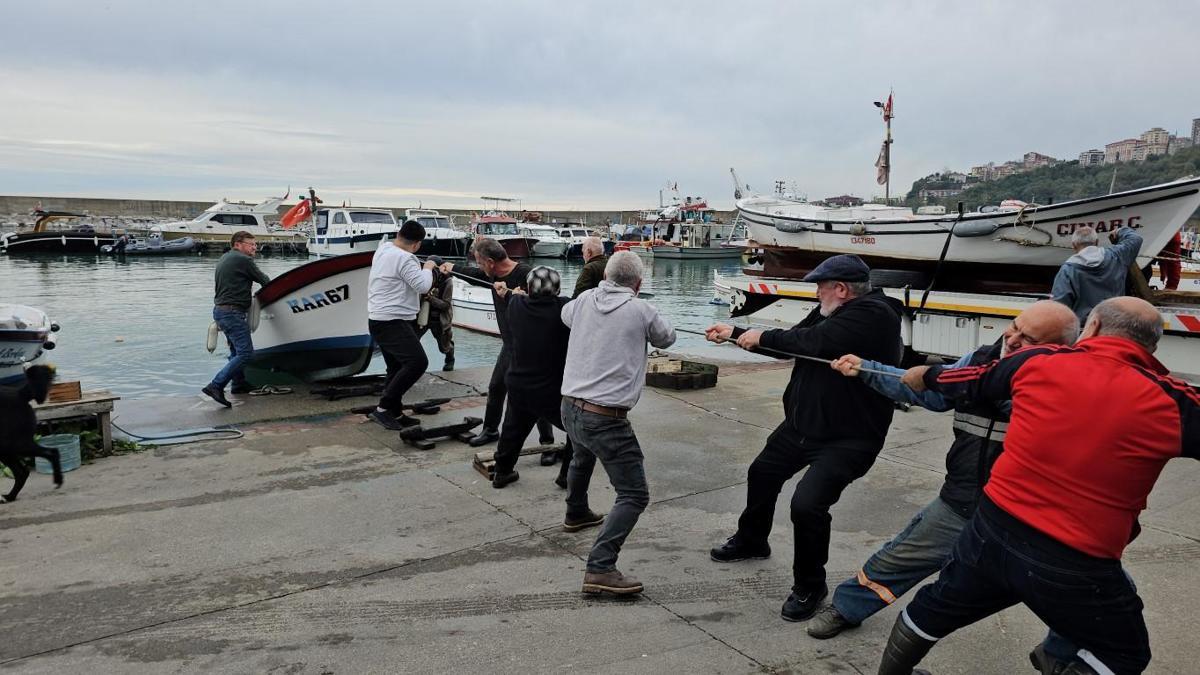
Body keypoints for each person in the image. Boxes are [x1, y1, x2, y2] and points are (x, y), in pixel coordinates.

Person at [876, 297, 1199, 675]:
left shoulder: (1038, 361)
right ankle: (1056, 658)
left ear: (1091, 327)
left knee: (934, 607)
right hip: (1076, 560)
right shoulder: (1177, 402)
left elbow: (970, 379)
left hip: (992, 530)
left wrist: (924, 375)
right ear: (1152, 346)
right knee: (1123, 654)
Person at [808, 301, 1079, 642]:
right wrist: (865, 369)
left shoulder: (1068, 386)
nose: (1012, 339)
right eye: (1015, 327)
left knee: (1075, 587)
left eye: (1029, 338)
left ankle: (1071, 652)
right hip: (963, 499)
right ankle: (847, 608)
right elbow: (926, 391)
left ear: (1058, 349)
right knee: (900, 556)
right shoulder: (979, 359)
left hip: (1029, 514)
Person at [705, 254, 903, 622]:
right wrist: (735, 335)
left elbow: (815, 342)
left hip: (849, 437)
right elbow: (793, 341)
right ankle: (752, 540)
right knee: (762, 473)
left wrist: (758, 334)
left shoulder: (874, 314)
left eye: (820, 287)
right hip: (802, 427)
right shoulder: (832, 312)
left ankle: (810, 585)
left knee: (807, 506)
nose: (816, 294)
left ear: (841, 289)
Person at [561, 251, 675, 595]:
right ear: (638, 284)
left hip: (570, 408)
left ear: (605, 277)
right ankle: (600, 567)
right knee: (634, 494)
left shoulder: (582, 301)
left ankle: (576, 511)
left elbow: (566, 316)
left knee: (582, 455)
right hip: (606, 418)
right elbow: (666, 337)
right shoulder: (641, 309)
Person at [441, 239, 555, 449]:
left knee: (535, 394)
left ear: (490, 262)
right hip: (510, 345)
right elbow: (474, 276)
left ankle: (547, 442)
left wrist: (514, 296)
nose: (479, 266)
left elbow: (546, 306)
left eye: (479, 262)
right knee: (496, 387)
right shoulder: (490, 275)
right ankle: (490, 430)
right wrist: (451, 268)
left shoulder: (526, 274)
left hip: (532, 347)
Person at [490, 267, 573, 489]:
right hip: (550, 388)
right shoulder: (563, 308)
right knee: (578, 428)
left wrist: (507, 291)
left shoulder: (516, 306)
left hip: (518, 384)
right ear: (557, 290)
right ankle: (568, 476)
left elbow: (513, 296)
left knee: (511, 431)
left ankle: (502, 472)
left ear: (528, 289)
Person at [366, 220, 436, 430]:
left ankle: (395, 412)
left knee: (396, 367)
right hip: (392, 320)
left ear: (399, 234)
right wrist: (429, 267)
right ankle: (383, 409)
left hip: (379, 318)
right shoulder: (406, 259)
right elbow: (423, 286)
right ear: (417, 244)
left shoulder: (383, 249)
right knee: (417, 362)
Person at [202, 231, 271, 408]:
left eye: (256, 244)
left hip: (221, 311)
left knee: (235, 351)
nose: (255, 247)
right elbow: (265, 281)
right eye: (251, 244)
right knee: (246, 353)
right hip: (233, 313)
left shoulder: (225, 258)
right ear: (238, 244)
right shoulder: (243, 260)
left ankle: (239, 385)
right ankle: (215, 385)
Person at [1051, 225, 1143, 324]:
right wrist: (1120, 230)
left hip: (1085, 328)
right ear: (1097, 242)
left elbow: (1058, 306)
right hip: (1114, 324)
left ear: (1073, 245)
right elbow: (1136, 239)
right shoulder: (1116, 256)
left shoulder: (1068, 270)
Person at [414, 255, 455, 371]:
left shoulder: (447, 282)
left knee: (444, 347)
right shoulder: (424, 278)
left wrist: (430, 298)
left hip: (439, 319)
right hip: (422, 317)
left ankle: (450, 358)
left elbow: (446, 305)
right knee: (412, 341)